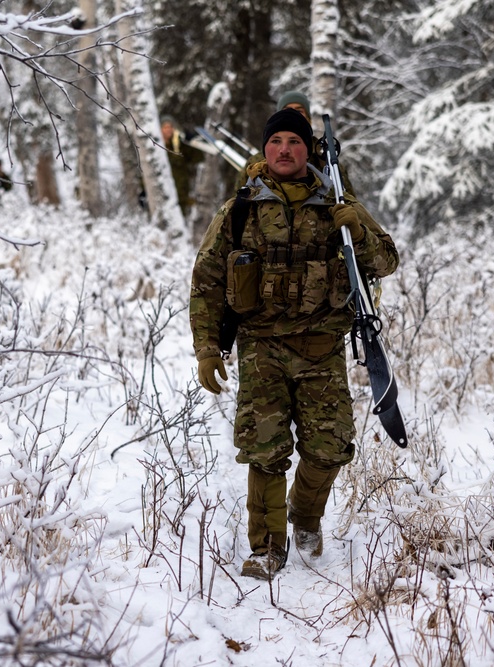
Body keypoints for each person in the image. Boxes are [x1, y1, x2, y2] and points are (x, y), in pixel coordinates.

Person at [189, 108, 399, 580]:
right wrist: (206, 348)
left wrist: (359, 230)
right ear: (265, 149)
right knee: (264, 448)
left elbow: (386, 260)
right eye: (276, 140)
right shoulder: (241, 208)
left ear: (310, 150)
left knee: (331, 446)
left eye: (295, 142)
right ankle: (266, 547)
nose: (284, 149)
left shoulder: (338, 202)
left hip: (322, 344)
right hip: (260, 346)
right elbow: (206, 281)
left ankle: (305, 515)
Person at [233, 90, 355, 195]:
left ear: (309, 119)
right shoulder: (255, 164)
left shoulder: (327, 161)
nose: (284, 150)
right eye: (287, 110)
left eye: (299, 111)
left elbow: (348, 201)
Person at [161, 115, 203, 216]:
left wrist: (193, 142)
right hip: (162, 195)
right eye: (165, 127)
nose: (168, 130)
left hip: (181, 194)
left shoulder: (180, 146)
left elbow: (197, 158)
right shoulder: (156, 147)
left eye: (170, 127)